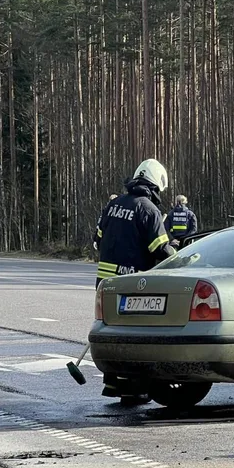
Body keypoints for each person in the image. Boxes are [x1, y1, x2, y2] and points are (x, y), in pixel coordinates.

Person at [94, 160, 176, 405]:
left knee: (110, 330)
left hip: (106, 281)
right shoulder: (148, 209)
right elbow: (159, 249)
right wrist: (178, 253)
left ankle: (112, 382)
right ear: (155, 185)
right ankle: (135, 387)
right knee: (137, 334)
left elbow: (97, 239)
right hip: (133, 283)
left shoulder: (113, 205)